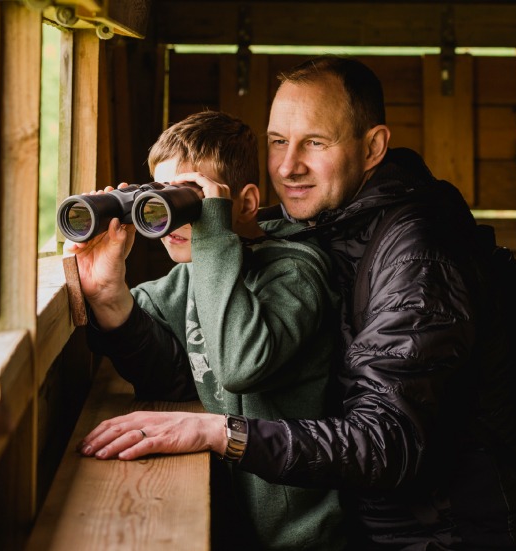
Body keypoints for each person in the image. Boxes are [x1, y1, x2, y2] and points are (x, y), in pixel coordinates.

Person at [79, 56, 516, 550]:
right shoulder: (323, 225)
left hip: (442, 535)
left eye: (315, 143)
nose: (287, 166)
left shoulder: (418, 256)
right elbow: (199, 369)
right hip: (374, 524)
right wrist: (108, 295)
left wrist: (221, 434)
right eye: (278, 141)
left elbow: (386, 443)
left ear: (373, 148)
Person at [69, 110, 346, 550]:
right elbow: (169, 373)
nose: (170, 220)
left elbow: (239, 365)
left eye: (189, 201)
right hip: (233, 519)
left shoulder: (295, 274)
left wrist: (213, 236)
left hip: (297, 536)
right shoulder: (192, 275)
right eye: (156, 200)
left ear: (245, 204)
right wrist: (108, 293)